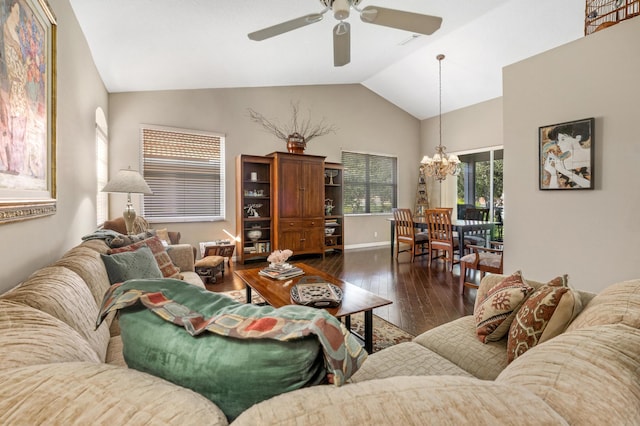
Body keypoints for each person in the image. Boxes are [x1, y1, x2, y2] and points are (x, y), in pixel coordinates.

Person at [541, 121, 592, 188]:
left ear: (577, 138)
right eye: (558, 140)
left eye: (563, 139)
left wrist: (562, 170)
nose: (558, 144)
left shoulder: (590, 156)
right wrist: (553, 173)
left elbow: (590, 185)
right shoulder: (561, 162)